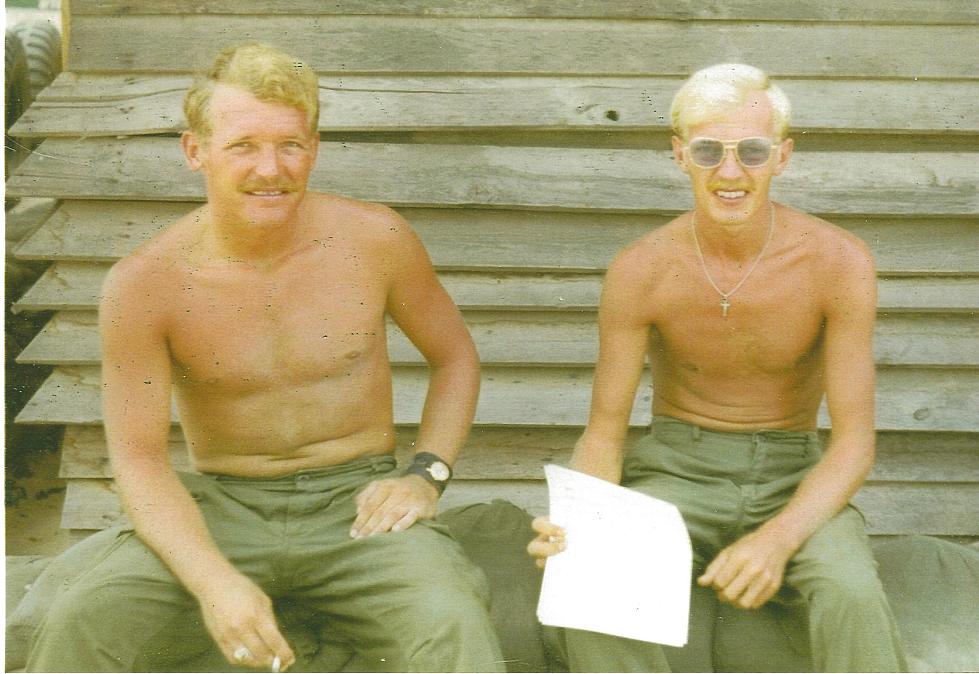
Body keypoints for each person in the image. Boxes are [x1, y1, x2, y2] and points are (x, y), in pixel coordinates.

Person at [27, 43, 504, 673]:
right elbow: (138, 460)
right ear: (195, 151)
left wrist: (426, 474)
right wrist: (216, 585)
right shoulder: (146, 282)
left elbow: (456, 360)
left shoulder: (375, 238)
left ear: (315, 149)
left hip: (356, 501)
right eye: (243, 145)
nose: (270, 168)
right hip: (223, 504)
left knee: (453, 618)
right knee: (80, 622)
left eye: (291, 144)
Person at [528, 63, 908, 672]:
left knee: (851, 592)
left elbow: (855, 441)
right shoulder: (641, 268)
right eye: (709, 151)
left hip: (792, 469)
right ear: (680, 156)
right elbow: (604, 432)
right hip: (678, 468)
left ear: (781, 157)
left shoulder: (837, 261)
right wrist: (581, 519)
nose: (730, 173)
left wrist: (778, 539)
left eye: (752, 152)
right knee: (589, 585)